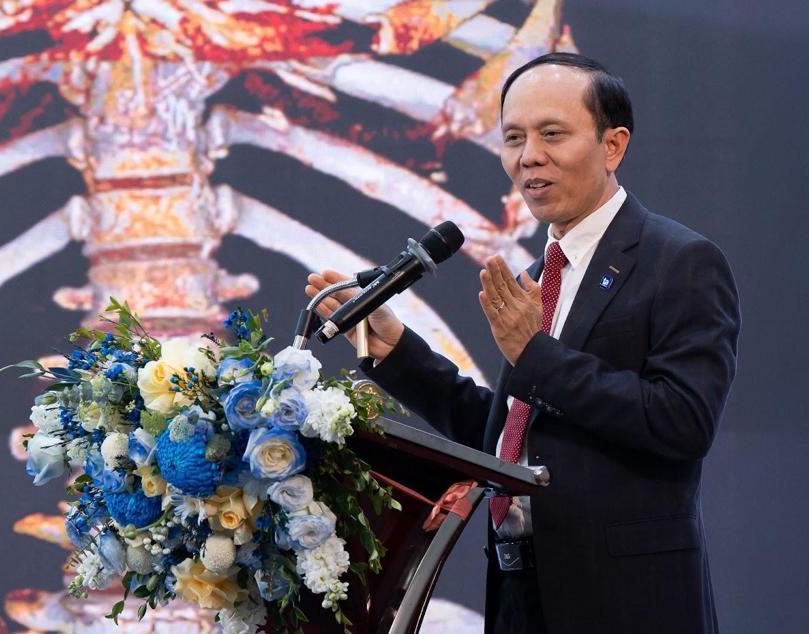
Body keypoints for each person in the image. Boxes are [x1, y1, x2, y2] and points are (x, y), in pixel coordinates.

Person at [306, 52, 740, 634]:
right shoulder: (541, 273)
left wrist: (535, 355)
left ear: (613, 146)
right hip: (519, 590)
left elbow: (683, 422)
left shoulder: (679, 261)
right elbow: (508, 436)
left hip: (626, 599)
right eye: (513, 138)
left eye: (552, 134)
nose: (528, 155)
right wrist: (394, 352)